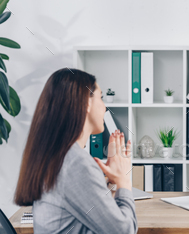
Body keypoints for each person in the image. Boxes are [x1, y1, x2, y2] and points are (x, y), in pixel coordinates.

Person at [14, 68, 137, 233]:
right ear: (87, 103)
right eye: (101, 98)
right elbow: (124, 231)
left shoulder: (58, 155)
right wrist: (124, 180)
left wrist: (107, 181)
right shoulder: (75, 163)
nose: (105, 108)